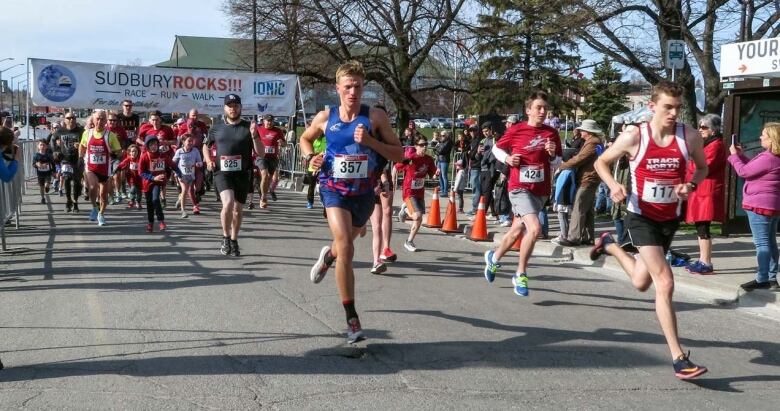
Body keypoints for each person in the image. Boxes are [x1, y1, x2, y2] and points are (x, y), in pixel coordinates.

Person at [589, 81, 709, 379]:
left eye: (678, 108)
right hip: (640, 216)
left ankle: (610, 245)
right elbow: (601, 161)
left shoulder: (690, 136)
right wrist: (614, 184)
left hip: (669, 218)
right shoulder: (634, 136)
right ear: (652, 106)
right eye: (668, 107)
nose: (673, 113)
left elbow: (703, 168)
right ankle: (679, 358)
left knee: (642, 282)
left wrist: (690, 184)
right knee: (665, 282)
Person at [300, 60, 403, 344]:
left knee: (349, 240)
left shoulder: (375, 117)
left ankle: (329, 257)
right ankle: (352, 318)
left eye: (358, 86)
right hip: (333, 188)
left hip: (364, 194)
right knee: (346, 244)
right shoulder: (326, 117)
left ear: (363, 87)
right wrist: (311, 158)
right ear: (338, 89)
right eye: (348, 86)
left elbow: (399, 154)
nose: (353, 91)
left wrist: (371, 142)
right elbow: (304, 139)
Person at [482, 91, 562, 297]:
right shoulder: (517, 130)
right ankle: (520, 274)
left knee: (517, 229)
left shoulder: (552, 134)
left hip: (540, 189)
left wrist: (552, 154)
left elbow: (557, 164)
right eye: (538, 107)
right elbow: (497, 149)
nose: (543, 111)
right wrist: (508, 159)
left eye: (545, 108)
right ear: (528, 111)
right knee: (534, 229)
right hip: (519, 187)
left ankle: (494, 257)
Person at [203, 94, 263, 256]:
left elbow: (261, 153)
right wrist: (208, 160)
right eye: (229, 105)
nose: (233, 108)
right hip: (222, 173)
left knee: (237, 209)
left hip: (242, 174)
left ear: (240, 107)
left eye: (236, 105)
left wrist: (255, 135)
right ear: (224, 108)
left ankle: (234, 239)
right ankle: (225, 237)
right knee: (228, 203)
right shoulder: (216, 128)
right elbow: (205, 147)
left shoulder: (248, 127)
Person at [728, 122, 780, 291]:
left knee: (762, 244)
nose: (760, 137)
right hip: (772, 205)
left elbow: (744, 172)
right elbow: (753, 169)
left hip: (759, 205)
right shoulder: (774, 157)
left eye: (763, 135)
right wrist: (742, 156)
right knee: (771, 242)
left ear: (772, 139)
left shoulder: (768, 157)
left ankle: (763, 278)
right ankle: (771, 278)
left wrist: (734, 156)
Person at [684, 114, 727, 275]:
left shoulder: (716, 145)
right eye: (699, 127)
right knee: (700, 227)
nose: (700, 130)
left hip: (706, 191)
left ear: (713, 131)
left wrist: (690, 161)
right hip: (700, 190)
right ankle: (703, 260)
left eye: (704, 127)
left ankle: (706, 262)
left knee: (703, 227)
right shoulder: (706, 144)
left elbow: (702, 166)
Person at [553, 119, 604, 246]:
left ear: (588, 132)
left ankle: (573, 237)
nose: (580, 132)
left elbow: (580, 159)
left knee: (579, 208)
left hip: (587, 179)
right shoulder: (597, 143)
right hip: (593, 178)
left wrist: (562, 166)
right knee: (587, 210)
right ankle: (588, 237)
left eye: (582, 130)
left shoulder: (592, 143)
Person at [79, 110, 123, 226]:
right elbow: (82, 146)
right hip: (91, 167)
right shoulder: (87, 133)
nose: (100, 121)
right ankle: (94, 207)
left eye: (103, 119)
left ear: (106, 121)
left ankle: (101, 214)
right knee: (93, 186)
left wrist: (114, 154)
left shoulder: (110, 135)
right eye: (97, 118)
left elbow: (119, 151)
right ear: (93, 120)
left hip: (105, 169)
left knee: (104, 194)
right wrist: (80, 157)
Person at [396, 136, 438, 252]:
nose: (424, 147)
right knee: (417, 216)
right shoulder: (411, 158)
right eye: (421, 145)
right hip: (409, 191)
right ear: (416, 146)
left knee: (418, 219)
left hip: (420, 192)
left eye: (425, 144)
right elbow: (397, 167)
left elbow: (432, 175)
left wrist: (436, 174)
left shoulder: (429, 159)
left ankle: (409, 241)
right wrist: (391, 184)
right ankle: (405, 209)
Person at [139, 135, 181, 232]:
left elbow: (172, 164)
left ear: (158, 145)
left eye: (155, 144)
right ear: (147, 146)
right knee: (149, 204)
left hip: (158, 182)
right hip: (147, 183)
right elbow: (141, 172)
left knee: (155, 199)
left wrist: (179, 172)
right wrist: (153, 177)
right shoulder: (145, 156)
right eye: (151, 145)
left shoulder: (162, 155)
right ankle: (150, 223)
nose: (153, 146)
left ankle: (161, 221)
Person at [52, 112, 85, 213]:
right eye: (68, 118)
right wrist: (56, 151)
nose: (71, 119)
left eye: (73, 118)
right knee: (66, 179)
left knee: (76, 183)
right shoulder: (60, 131)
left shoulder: (81, 131)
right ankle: (68, 201)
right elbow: (52, 139)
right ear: (65, 120)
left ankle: (75, 203)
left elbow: (87, 142)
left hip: (78, 160)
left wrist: (80, 146)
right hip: (65, 159)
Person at [256, 114, 286, 207]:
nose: (269, 122)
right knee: (264, 175)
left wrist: (282, 143)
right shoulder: (259, 129)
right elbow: (253, 141)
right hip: (261, 156)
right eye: (267, 120)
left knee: (269, 178)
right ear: (263, 121)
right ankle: (263, 197)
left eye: (271, 121)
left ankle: (264, 192)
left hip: (273, 158)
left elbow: (285, 144)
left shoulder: (278, 131)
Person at [173, 134, 204, 218]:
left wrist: (198, 164)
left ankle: (180, 199)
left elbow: (200, 162)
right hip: (181, 174)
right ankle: (183, 211)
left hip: (191, 174)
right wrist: (175, 172)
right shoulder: (179, 151)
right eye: (189, 141)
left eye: (192, 141)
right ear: (183, 142)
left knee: (191, 190)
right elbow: (173, 163)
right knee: (185, 190)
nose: (190, 143)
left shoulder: (195, 151)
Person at [117, 144, 143, 209]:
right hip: (131, 178)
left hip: (139, 178)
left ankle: (138, 202)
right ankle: (132, 201)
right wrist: (117, 168)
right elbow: (122, 163)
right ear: (129, 152)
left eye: (135, 151)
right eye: (132, 151)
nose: (133, 153)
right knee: (132, 189)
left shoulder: (140, 159)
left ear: (138, 152)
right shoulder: (128, 159)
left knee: (139, 191)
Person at [305, 134, 326, 209]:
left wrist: (322, 154)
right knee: (311, 185)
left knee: (323, 184)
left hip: (324, 166)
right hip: (313, 167)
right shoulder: (312, 140)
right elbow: (307, 152)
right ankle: (310, 202)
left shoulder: (326, 138)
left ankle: (323, 200)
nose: (318, 134)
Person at [32, 139, 55, 204]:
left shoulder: (48, 155)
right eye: (41, 145)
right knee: (41, 186)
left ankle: (47, 187)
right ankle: (42, 198)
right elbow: (33, 164)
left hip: (48, 172)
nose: (42, 146)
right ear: (38, 146)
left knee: (47, 183)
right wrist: (37, 165)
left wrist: (54, 171)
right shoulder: (36, 155)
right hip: (40, 174)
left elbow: (53, 163)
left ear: (46, 147)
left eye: (44, 145)